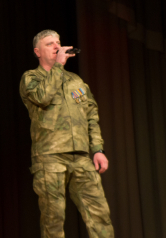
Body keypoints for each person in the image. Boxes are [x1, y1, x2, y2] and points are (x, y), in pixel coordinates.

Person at [19, 30, 114, 238]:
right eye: (50, 44)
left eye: (58, 42)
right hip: (49, 158)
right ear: (37, 51)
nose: (57, 46)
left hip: (81, 156)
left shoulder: (76, 81)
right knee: (53, 219)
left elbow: (91, 115)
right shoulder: (31, 78)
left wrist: (97, 149)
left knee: (100, 216)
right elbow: (42, 97)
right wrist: (59, 66)